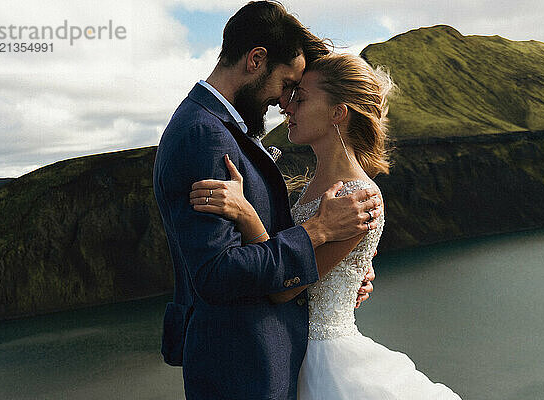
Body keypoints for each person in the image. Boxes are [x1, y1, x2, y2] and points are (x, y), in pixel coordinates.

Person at [190, 52, 462, 399]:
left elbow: (284, 290)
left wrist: (246, 214)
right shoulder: (307, 189)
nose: (286, 107)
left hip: (326, 363)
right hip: (291, 354)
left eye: (300, 98)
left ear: (338, 113)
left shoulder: (360, 197)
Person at [152, 2, 382, 399]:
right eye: (285, 84)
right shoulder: (204, 136)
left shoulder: (220, 129)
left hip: (268, 361)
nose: (283, 102)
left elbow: (266, 250)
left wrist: (338, 275)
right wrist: (317, 233)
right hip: (241, 365)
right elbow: (216, 273)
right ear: (256, 60)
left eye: (298, 94)